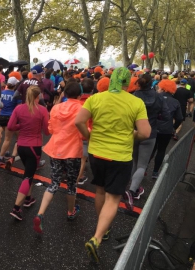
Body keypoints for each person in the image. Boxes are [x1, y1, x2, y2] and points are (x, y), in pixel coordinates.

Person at [75, 67, 151, 263]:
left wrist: (88, 135)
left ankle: (103, 228)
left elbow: (79, 121)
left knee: (100, 192)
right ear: (129, 83)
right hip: (120, 156)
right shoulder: (136, 102)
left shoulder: (96, 98)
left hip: (97, 152)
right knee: (113, 198)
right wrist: (132, 135)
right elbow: (145, 133)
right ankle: (97, 237)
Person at [33, 81, 83, 233]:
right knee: (71, 184)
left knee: (54, 183)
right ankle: (70, 211)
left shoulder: (56, 107)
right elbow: (83, 131)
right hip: (73, 151)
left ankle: (40, 214)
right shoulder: (82, 108)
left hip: (56, 149)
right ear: (80, 94)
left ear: (65, 93)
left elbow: (51, 128)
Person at [123, 74, 170, 210]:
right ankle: (132, 191)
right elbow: (166, 115)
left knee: (134, 161)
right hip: (150, 132)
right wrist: (155, 121)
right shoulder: (159, 97)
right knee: (142, 165)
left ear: (138, 83)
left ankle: (132, 187)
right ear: (152, 84)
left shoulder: (133, 96)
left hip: (134, 132)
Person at [8, 85, 50, 221]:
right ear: (38, 97)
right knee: (28, 176)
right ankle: (16, 208)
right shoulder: (42, 110)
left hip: (21, 146)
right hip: (34, 147)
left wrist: (22, 125)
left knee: (28, 172)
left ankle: (28, 198)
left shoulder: (19, 108)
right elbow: (46, 131)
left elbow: (10, 126)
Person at [149, 79, 183, 179]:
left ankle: (144, 168)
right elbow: (179, 118)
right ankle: (155, 172)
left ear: (162, 88)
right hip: (166, 129)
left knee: (151, 149)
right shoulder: (175, 102)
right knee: (161, 150)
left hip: (153, 127)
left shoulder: (154, 98)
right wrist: (174, 128)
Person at [0, 77, 21, 169]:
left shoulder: (1, 93)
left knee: (8, 136)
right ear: (14, 85)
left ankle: (7, 153)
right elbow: (18, 108)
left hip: (1, 116)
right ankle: (0, 158)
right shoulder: (16, 95)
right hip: (11, 117)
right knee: (8, 138)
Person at [78, 78, 94, 185]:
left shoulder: (76, 101)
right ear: (92, 89)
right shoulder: (95, 101)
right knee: (82, 159)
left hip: (75, 132)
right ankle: (78, 178)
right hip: (88, 132)